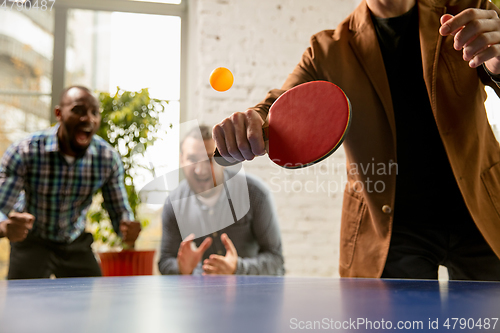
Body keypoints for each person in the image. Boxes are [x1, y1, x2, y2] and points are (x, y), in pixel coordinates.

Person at [212, 0, 500, 280]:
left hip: (481, 207)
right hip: (388, 226)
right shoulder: (328, 50)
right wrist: (251, 123)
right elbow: (278, 107)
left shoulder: (469, 9)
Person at [0, 86, 141, 279]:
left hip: (74, 242)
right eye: (78, 110)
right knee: (21, 304)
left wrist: (128, 230)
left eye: (94, 113)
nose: (88, 119)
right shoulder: (25, 151)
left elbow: (120, 212)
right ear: (59, 113)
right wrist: (5, 226)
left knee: (90, 304)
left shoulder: (107, 159)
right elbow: (1, 208)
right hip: (32, 240)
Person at [158, 125, 284, 275]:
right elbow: (165, 262)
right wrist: (183, 268)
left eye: (209, 159)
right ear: (181, 160)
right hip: (198, 297)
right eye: (192, 159)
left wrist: (237, 268)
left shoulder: (256, 195)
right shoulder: (173, 204)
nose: (200, 170)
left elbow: (276, 261)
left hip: (249, 296)